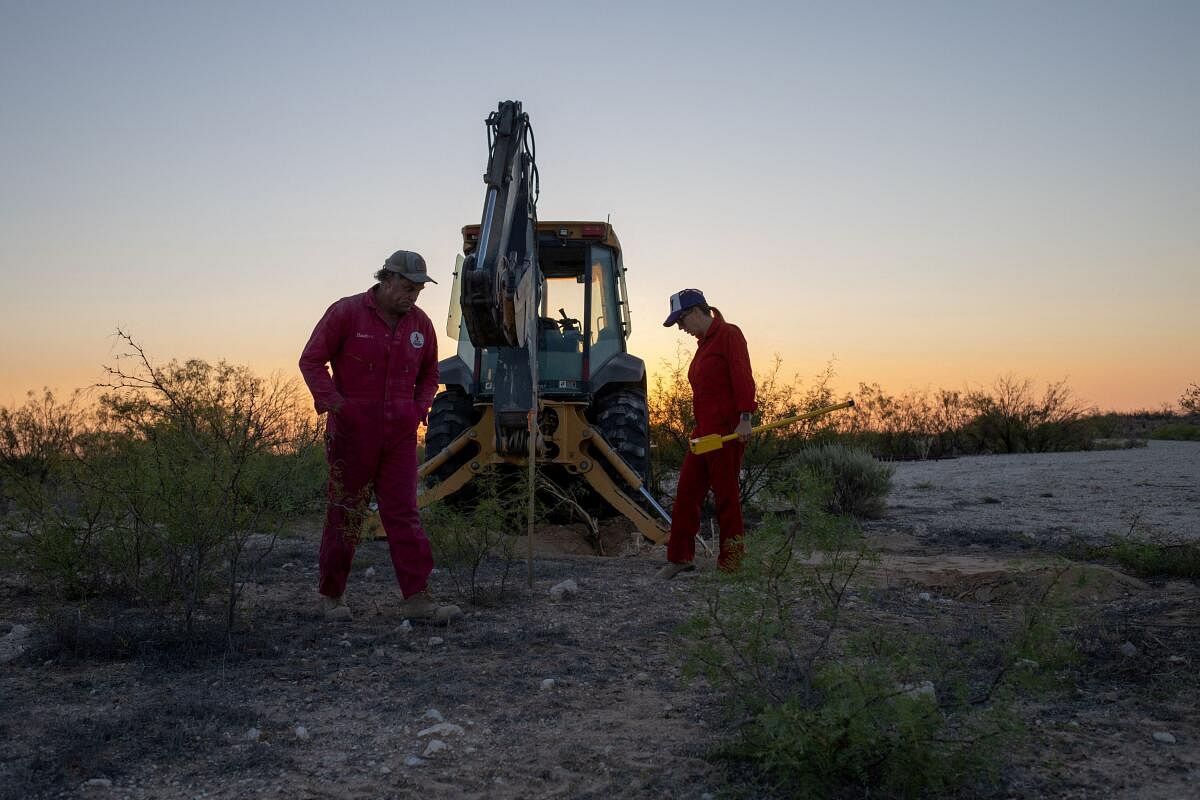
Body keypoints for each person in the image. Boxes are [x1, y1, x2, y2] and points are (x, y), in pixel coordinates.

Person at [299, 249, 460, 623]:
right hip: (352, 435)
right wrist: (336, 404)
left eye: (417, 290)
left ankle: (418, 598)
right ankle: (332, 597)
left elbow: (430, 375)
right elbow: (311, 360)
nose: (411, 296)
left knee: (404, 514)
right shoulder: (346, 313)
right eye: (406, 287)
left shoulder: (421, 326)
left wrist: (419, 409)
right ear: (386, 279)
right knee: (346, 513)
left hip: (400, 437)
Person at [656, 289, 756, 579]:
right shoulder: (703, 346)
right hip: (702, 434)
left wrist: (745, 418)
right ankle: (680, 558)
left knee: (727, 499)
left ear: (697, 311)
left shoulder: (729, 335)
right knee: (686, 495)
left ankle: (731, 565)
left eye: (681, 321)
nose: (680, 328)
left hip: (727, 434)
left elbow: (743, 377)